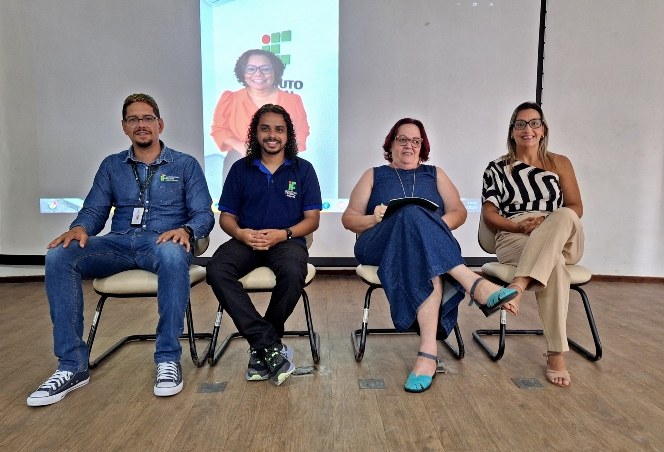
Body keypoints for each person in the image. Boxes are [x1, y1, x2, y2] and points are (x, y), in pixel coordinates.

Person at [26, 94, 215, 406]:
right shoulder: (112, 166)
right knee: (60, 255)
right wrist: (79, 227)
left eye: (147, 118)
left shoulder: (185, 165)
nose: (141, 124)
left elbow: (203, 215)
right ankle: (72, 366)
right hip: (119, 243)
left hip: (161, 243)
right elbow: (94, 211)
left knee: (172, 253)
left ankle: (167, 358)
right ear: (124, 127)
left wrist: (186, 230)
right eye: (133, 119)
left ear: (160, 124)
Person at [342, 118, 518, 393]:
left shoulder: (435, 174)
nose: (409, 145)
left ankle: (427, 354)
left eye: (415, 141)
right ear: (391, 144)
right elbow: (349, 219)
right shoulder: (374, 174)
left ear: (422, 146)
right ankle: (474, 283)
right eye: (402, 139)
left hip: (428, 252)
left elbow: (458, 212)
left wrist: (429, 230)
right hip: (378, 245)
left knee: (424, 251)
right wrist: (373, 218)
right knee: (412, 213)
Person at [206, 104, 322, 386]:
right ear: (255, 133)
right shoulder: (240, 169)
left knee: (294, 272)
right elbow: (226, 218)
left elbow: (312, 220)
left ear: (288, 135)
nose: (272, 135)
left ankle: (261, 347)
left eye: (279, 129)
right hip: (246, 240)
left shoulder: (303, 170)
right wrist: (241, 233)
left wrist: (284, 234)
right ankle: (268, 343)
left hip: (286, 241)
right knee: (217, 269)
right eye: (265, 128)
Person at [481, 101, 584, 388]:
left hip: (562, 235)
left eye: (534, 123)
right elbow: (489, 215)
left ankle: (518, 285)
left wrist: (545, 222)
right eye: (521, 124)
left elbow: (576, 207)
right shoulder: (497, 168)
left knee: (564, 214)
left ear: (543, 129)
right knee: (555, 266)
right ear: (512, 131)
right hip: (516, 235)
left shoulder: (560, 163)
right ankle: (556, 355)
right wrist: (519, 225)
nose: (528, 129)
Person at [210, 49, 310, 181]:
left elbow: (301, 131)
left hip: (282, 164)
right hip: (240, 161)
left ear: (275, 71)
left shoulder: (293, 101)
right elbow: (219, 129)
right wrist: (243, 147)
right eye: (251, 69)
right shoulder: (230, 99)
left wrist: (279, 155)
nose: (258, 74)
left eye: (265, 69)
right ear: (243, 72)